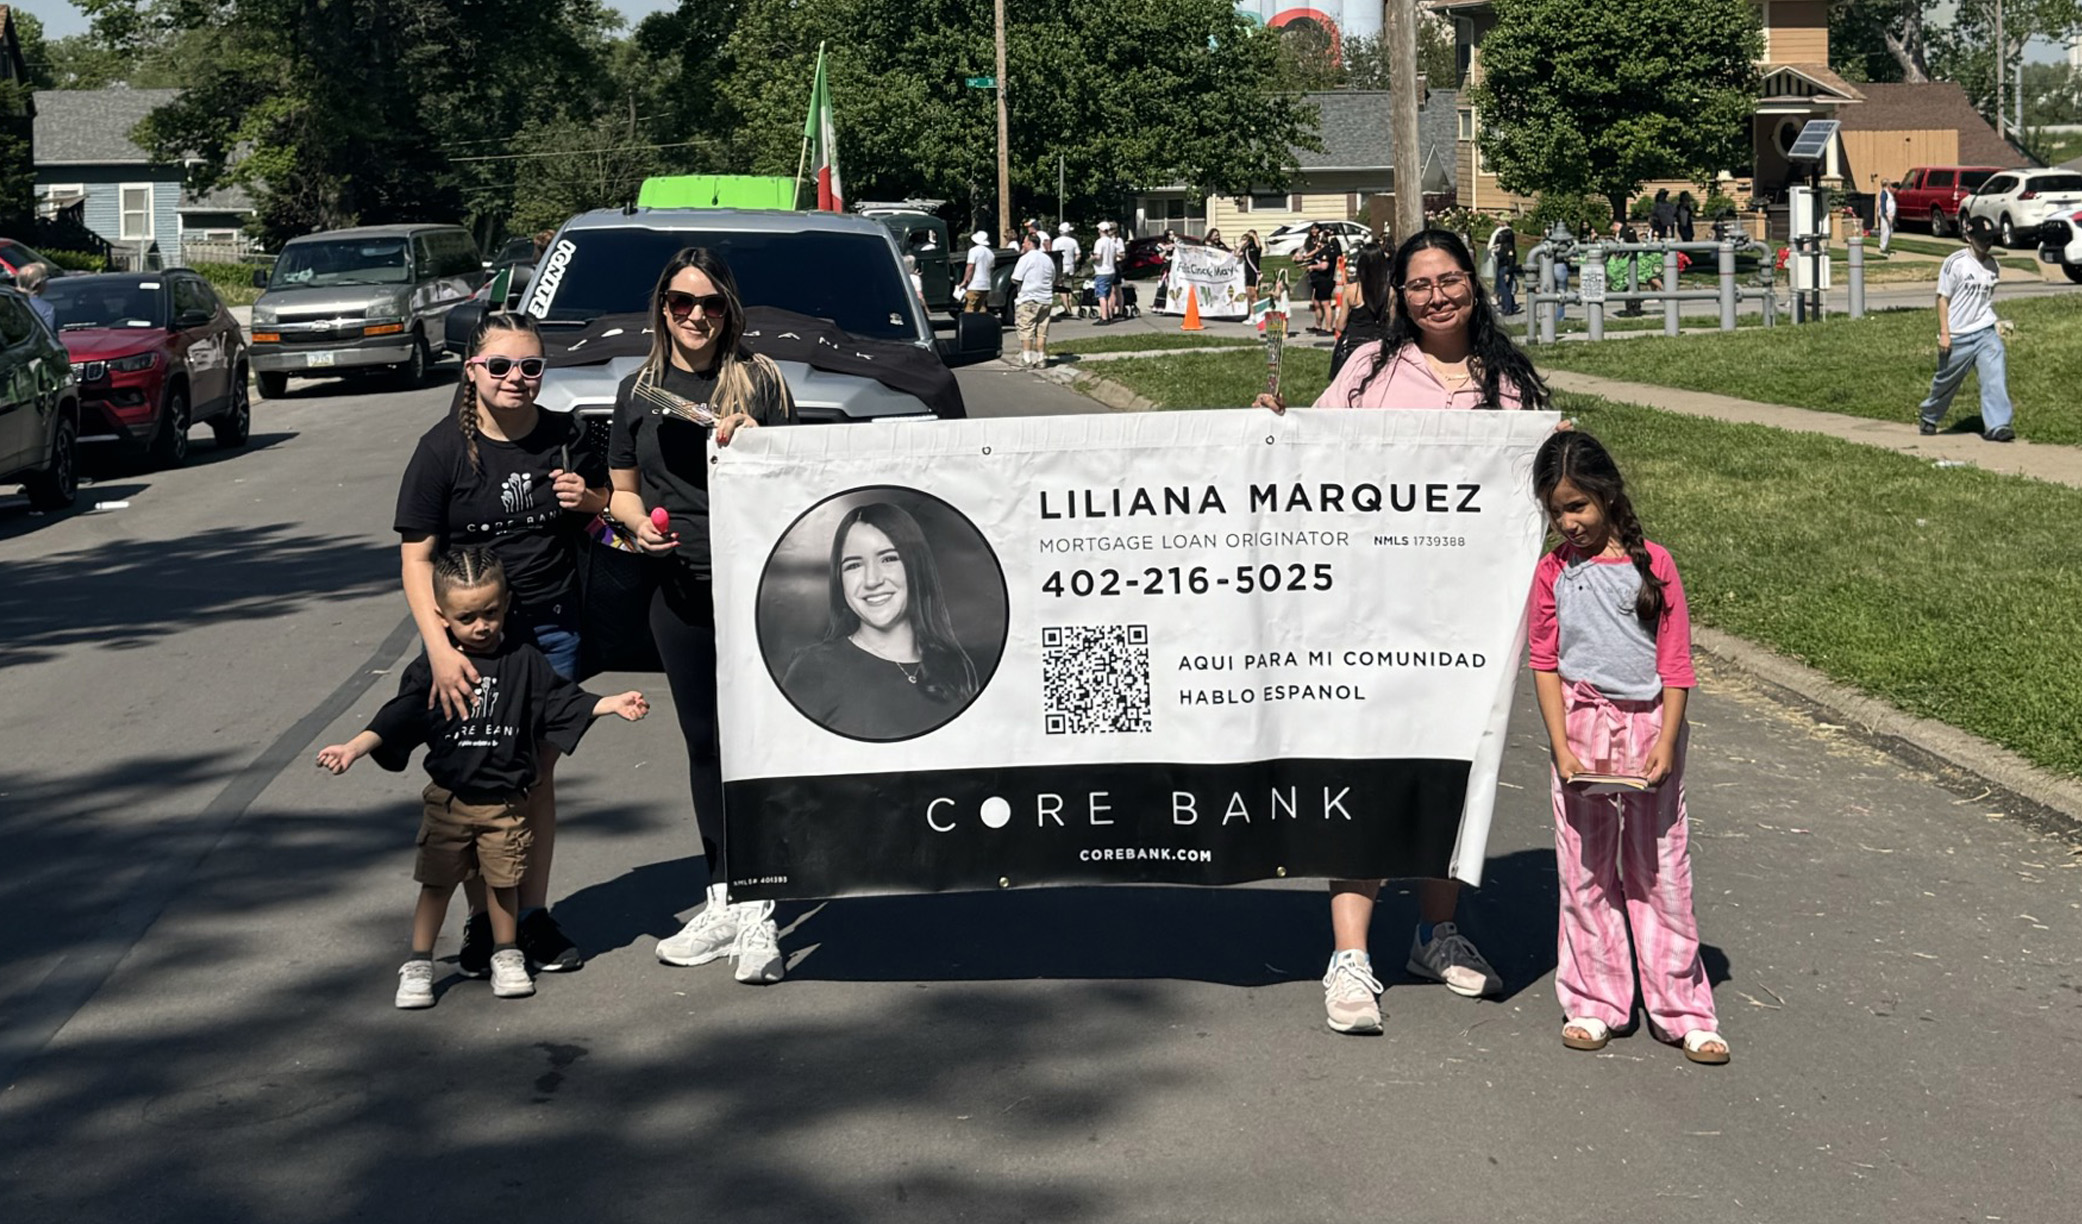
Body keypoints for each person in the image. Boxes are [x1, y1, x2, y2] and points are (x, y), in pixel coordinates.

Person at [1255, 229, 1545, 1033]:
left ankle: (1435, 932)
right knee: (1366, 767)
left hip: (1468, 616)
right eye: (1419, 285)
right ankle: (1350, 954)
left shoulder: (1509, 382)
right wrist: (1271, 427)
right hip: (1370, 605)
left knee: (1453, 768)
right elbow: (1306, 460)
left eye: (1450, 280)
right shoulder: (1369, 372)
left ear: (1473, 285)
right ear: (1400, 297)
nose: (1437, 296)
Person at [316, 549, 649, 1009]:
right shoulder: (436, 669)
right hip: (448, 803)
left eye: (490, 612)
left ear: (507, 602)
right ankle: (418, 963)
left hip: (505, 804)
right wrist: (354, 747)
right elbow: (400, 717)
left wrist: (608, 703)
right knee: (436, 884)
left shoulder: (525, 661)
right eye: (466, 616)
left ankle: (506, 954)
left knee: (504, 882)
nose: (481, 625)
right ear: (442, 616)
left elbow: (559, 701)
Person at [394, 310, 609, 977]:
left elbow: (609, 502)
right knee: (478, 781)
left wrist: (588, 498)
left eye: (531, 366)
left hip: (549, 629)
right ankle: (485, 922)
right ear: (472, 370)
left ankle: (532, 917)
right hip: (474, 642)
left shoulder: (567, 436)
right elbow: (416, 557)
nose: (517, 378)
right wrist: (439, 645)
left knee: (535, 778)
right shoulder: (442, 451)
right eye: (501, 366)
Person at [603, 247, 797, 984]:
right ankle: (723, 896)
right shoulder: (640, 390)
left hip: (758, 588)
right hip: (676, 589)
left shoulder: (762, 380)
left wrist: (760, 440)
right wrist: (634, 527)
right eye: (682, 301)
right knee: (706, 745)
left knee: (760, 746)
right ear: (662, 307)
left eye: (710, 304)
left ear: (729, 311)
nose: (695, 315)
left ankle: (763, 907)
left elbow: (808, 483)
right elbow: (619, 490)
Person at [1527, 431, 1727, 1065]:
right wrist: (1560, 746)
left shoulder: (1655, 565)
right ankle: (1594, 1000)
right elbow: (1544, 661)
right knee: (1585, 872)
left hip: (1648, 734)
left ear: (1607, 495)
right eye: (1556, 511)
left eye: (1578, 506)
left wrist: (1667, 740)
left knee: (1660, 869)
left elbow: (1675, 664)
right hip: (1583, 731)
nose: (1569, 522)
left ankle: (1683, 1007)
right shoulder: (1553, 572)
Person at [780, 502, 980, 741]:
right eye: (854, 565)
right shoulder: (814, 669)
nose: (872, 580)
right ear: (839, 580)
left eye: (888, 559)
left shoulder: (956, 666)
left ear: (915, 566)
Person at [1918, 217, 2015, 442]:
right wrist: (1945, 333)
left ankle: (1998, 425)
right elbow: (1943, 299)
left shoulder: (1993, 266)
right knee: (1945, 382)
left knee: (1994, 374)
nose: (1987, 244)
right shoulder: (1956, 263)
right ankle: (1929, 415)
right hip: (1957, 335)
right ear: (1969, 237)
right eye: (1982, 239)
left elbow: (1985, 301)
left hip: (1984, 332)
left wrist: (1993, 325)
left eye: (1990, 239)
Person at [1328, 243, 1388, 379]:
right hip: (1379, 344)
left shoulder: (1351, 290)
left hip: (1354, 346)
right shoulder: (1389, 292)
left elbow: (1340, 325)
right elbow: (1392, 324)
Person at [1010, 232, 1057, 368]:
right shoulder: (1047, 259)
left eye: (1024, 242)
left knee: (1026, 329)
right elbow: (1053, 277)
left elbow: (1016, 278)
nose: (1023, 244)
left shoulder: (1025, 258)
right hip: (1045, 299)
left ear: (1030, 243)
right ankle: (1041, 358)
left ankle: (1027, 358)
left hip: (1029, 298)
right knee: (1042, 331)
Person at [1307, 224, 1342, 334]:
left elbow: (1324, 266)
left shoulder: (1327, 251)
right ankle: (1318, 326)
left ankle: (1328, 328)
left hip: (1325, 280)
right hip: (1318, 281)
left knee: (1325, 304)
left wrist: (1312, 267)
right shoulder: (1321, 250)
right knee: (1317, 303)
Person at [1092, 221, 1125, 325]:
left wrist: (1091, 258)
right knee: (1108, 293)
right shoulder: (1112, 242)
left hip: (1102, 271)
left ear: (1101, 231)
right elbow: (1116, 255)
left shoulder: (1099, 242)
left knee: (1101, 295)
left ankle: (1104, 317)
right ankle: (1109, 313)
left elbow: (1098, 256)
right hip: (1111, 270)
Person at [1051, 221, 1082, 319]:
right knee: (1069, 287)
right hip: (1070, 266)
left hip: (1061, 267)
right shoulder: (1073, 241)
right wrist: (1074, 261)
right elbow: (1078, 254)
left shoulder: (1056, 241)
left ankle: (1067, 308)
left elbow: (1055, 254)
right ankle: (1069, 307)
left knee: (1062, 288)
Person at [1487, 222, 1519, 315]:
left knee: (1506, 291)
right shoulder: (1502, 247)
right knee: (1502, 289)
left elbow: (1510, 260)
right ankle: (1510, 306)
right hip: (1501, 268)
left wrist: (1508, 272)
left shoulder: (1509, 248)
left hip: (1505, 269)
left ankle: (1507, 309)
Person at [961, 230, 995, 313]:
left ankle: (970, 324)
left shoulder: (973, 251)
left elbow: (970, 266)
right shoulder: (991, 253)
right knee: (981, 307)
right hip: (986, 285)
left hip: (975, 284)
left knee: (970, 307)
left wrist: (965, 281)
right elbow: (991, 269)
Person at [17, 262, 54, 330]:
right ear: (39, 284)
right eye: (45, 280)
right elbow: (47, 337)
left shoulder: (6, 300)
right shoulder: (46, 309)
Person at [1239, 230, 1263, 302]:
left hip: (1254, 272)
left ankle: (1257, 311)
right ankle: (1252, 312)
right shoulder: (1246, 249)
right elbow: (1237, 254)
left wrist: (1253, 236)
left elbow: (1258, 246)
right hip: (1247, 272)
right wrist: (1242, 244)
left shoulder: (1255, 248)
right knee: (1248, 294)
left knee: (1254, 294)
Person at [1876, 180, 1898, 256]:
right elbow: (1883, 206)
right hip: (1885, 216)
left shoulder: (1887, 193)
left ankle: (1886, 248)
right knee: (1885, 232)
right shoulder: (1884, 193)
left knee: (1889, 232)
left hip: (1889, 216)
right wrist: (1887, 215)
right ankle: (1882, 248)